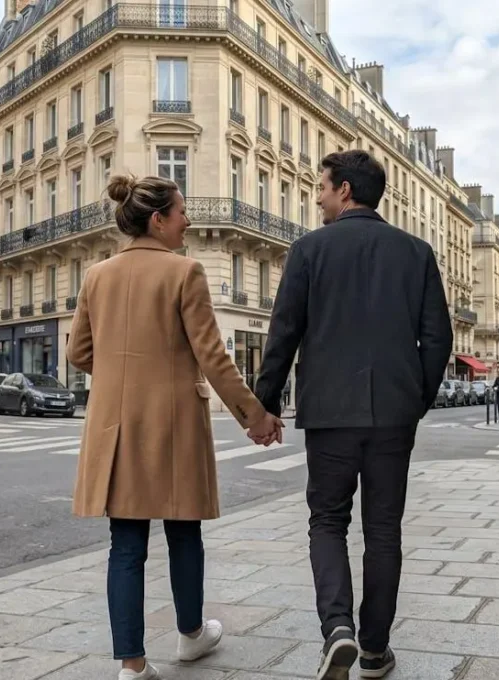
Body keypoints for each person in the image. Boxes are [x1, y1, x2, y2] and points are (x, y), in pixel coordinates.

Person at [67, 174, 284, 680]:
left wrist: (127, 373)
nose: (188, 219)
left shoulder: (97, 275)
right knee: (184, 532)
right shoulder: (185, 273)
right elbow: (213, 357)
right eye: (181, 211)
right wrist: (255, 417)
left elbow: (79, 352)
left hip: (117, 425)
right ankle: (190, 636)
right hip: (173, 424)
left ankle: (132, 663)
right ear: (159, 219)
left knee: (126, 546)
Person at [251, 150, 452, 680]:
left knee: (327, 522)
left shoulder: (309, 250)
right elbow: (437, 339)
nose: (316, 197)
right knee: (384, 529)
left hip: (329, 413)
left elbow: (284, 333)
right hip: (393, 415)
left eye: (320, 187)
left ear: (343, 190)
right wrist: (416, 399)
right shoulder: (417, 252)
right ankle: (374, 649)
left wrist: (264, 403)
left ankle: (337, 629)